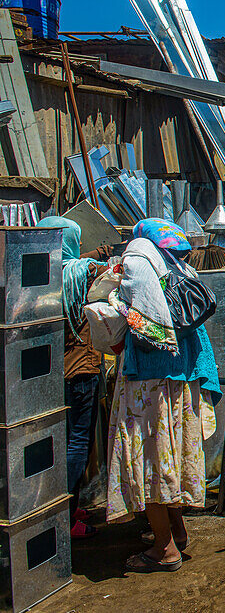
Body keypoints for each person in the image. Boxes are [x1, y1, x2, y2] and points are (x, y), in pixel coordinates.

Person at [105, 218, 220, 572]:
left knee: (151, 462)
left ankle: (164, 549)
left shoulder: (139, 262)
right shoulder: (178, 268)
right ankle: (178, 533)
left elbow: (150, 324)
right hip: (180, 381)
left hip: (150, 386)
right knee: (169, 457)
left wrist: (115, 301)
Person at [38, 216, 106, 539]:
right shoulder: (84, 272)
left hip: (56, 373)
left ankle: (66, 507)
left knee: (62, 444)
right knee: (79, 443)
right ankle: (64, 519)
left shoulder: (42, 275)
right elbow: (101, 271)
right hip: (82, 371)